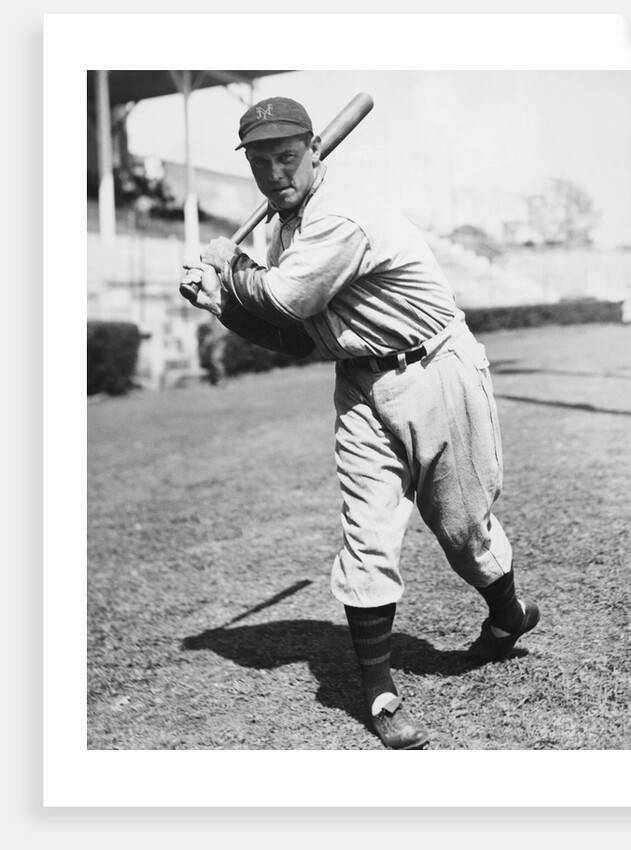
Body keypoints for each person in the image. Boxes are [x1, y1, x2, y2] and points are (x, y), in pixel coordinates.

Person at [180, 97, 540, 750]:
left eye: (287, 157)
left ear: (316, 150)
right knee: (368, 533)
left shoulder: (340, 212)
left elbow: (286, 296)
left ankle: (507, 615)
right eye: (260, 163)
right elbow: (298, 338)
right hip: (359, 382)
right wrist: (221, 304)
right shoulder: (286, 232)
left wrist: (229, 268)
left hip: (434, 367)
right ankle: (379, 693)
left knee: (463, 531)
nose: (275, 175)